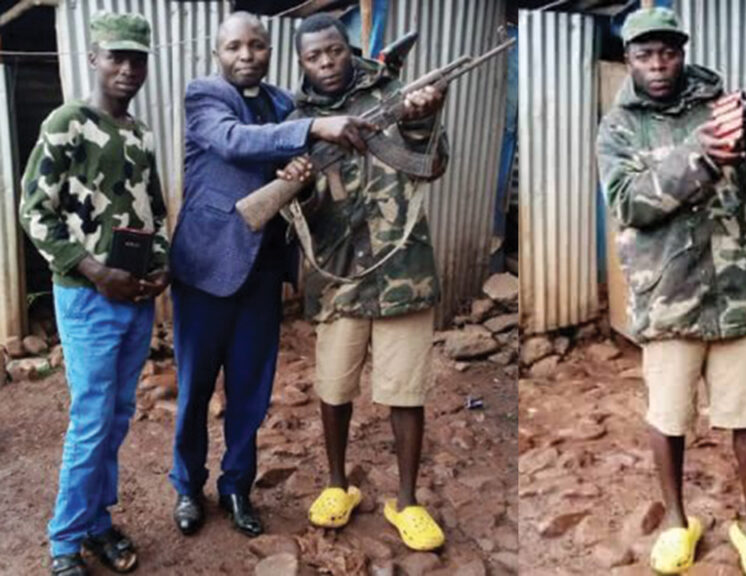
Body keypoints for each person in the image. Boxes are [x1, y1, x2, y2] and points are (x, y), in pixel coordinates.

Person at [596, 7, 746, 576]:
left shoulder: (723, 104)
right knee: (669, 417)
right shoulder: (619, 128)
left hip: (737, 292)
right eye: (644, 55)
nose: (658, 66)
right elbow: (629, 202)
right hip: (668, 296)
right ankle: (679, 522)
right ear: (628, 60)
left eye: (668, 53)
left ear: (682, 51)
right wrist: (698, 156)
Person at [168, 11, 354, 538]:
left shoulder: (282, 103)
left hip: (261, 273)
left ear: (271, 51)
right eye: (234, 47)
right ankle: (187, 487)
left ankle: (236, 488)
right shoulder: (204, 96)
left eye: (256, 46)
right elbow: (232, 141)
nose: (245, 55)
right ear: (217, 53)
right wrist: (313, 126)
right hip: (205, 271)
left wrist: (301, 177)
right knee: (194, 390)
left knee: (250, 392)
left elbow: (305, 184)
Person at [283, 14, 449, 551]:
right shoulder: (297, 119)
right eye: (315, 56)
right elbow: (299, 208)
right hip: (338, 276)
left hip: (402, 272)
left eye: (334, 51)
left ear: (346, 48)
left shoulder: (393, 92)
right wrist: (301, 187)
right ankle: (337, 486)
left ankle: (407, 499)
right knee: (334, 389)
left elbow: (432, 164)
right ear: (302, 62)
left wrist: (423, 120)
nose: (328, 62)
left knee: (406, 392)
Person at [19, 12, 169, 576]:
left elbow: (152, 209)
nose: (129, 69)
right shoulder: (67, 122)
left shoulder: (139, 134)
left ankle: (98, 523)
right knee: (91, 418)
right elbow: (34, 210)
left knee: (119, 414)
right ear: (94, 58)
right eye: (118, 57)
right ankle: (64, 542)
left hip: (134, 297)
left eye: (138, 59)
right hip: (86, 296)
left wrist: (162, 266)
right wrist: (93, 269)